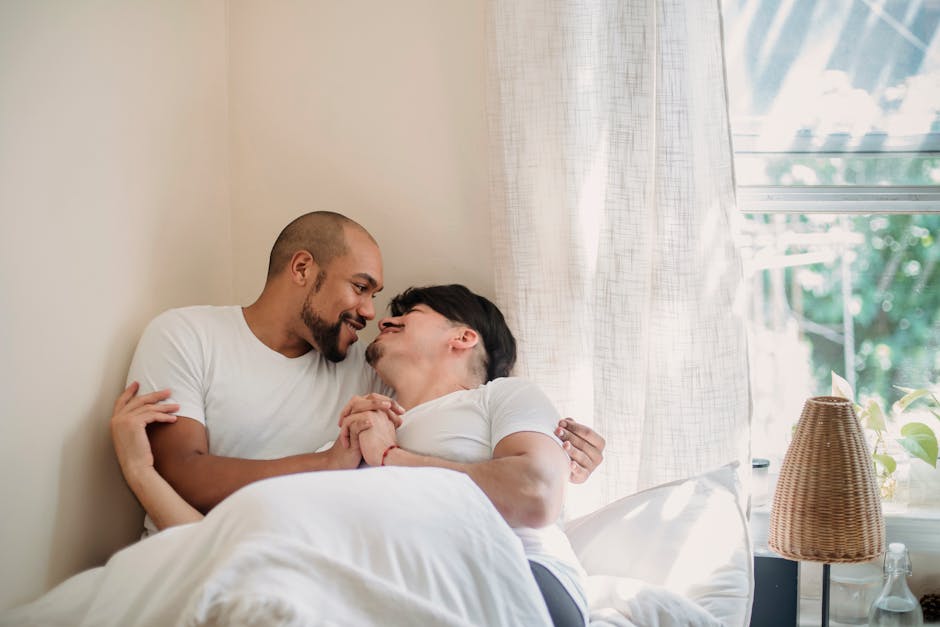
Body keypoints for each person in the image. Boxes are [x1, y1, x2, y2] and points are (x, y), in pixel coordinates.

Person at [113, 284, 590, 627]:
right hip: (386, 585)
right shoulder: (348, 441)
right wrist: (140, 472)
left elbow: (535, 495)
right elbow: (228, 547)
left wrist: (391, 458)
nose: (382, 318)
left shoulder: (503, 398)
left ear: (463, 337)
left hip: (515, 580)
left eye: (412, 311)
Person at [124, 211, 605, 534]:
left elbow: (460, 400)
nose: (373, 314)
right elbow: (179, 472)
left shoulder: (374, 368)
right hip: (210, 546)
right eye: (360, 287)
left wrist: (564, 456)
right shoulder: (187, 334)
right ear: (302, 268)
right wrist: (327, 462)